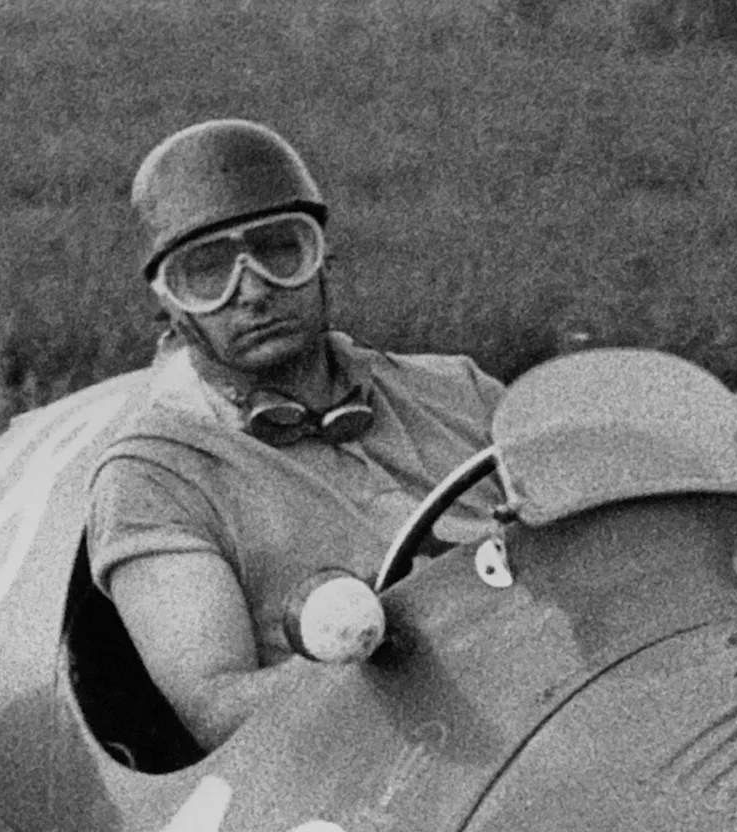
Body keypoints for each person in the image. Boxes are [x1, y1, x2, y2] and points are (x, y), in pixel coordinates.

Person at [88, 119, 503, 748]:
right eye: (206, 272)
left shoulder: (459, 391)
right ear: (168, 305)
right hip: (372, 779)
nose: (252, 290)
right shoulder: (155, 476)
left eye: (282, 250)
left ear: (322, 258)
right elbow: (216, 706)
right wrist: (422, 658)